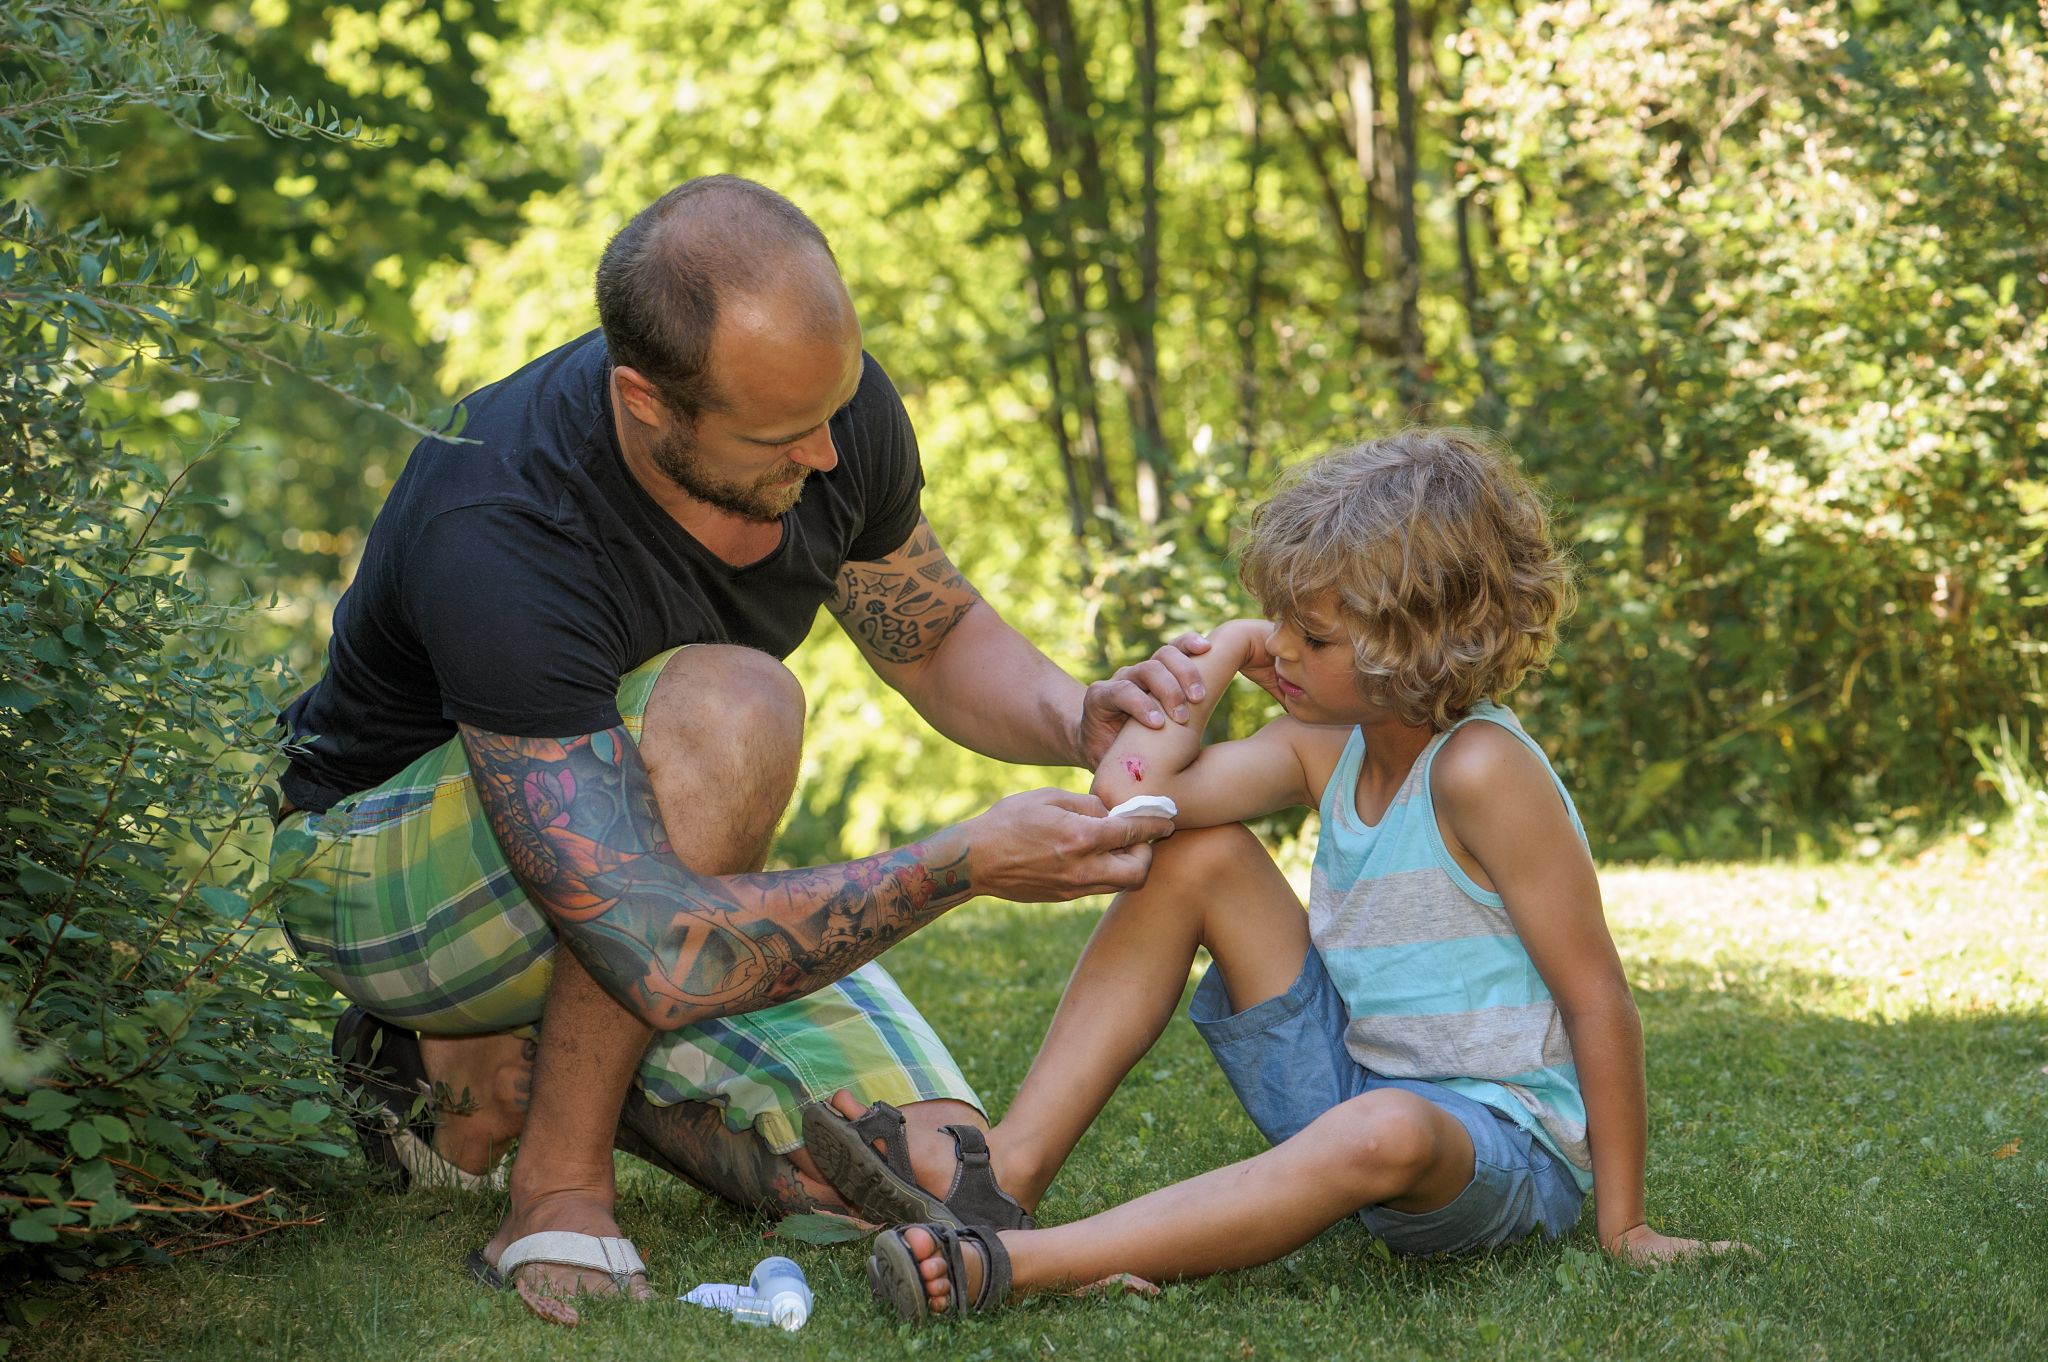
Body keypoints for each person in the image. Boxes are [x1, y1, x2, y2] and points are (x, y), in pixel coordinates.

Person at [267, 175, 1194, 1320]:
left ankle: (446, 1076)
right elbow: (650, 940)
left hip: (636, 882)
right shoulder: (502, 513)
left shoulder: (826, 411)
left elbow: (931, 632)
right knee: (736, 706)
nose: (822, 453)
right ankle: (555, 1183)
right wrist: (959, 866)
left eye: (833, 409)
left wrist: (1075, 717)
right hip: (379, 871)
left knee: (941, 1175)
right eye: (779, 433)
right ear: (644, 402)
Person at [855, 429, 1748, 1322]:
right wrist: (1227, 649)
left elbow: (1598, 999)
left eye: (1309, 634)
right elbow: (1131, 795)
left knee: (1389, 1126)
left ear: (1414, 645)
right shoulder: (1324, 747)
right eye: (1276, 619)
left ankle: (1017, 1265)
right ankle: (1007, 1176)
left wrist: (1623, 1225)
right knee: (1193, 853)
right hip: (1356, 1084)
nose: (1278, 648)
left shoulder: (1482, 771)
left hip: (1495, 1145)